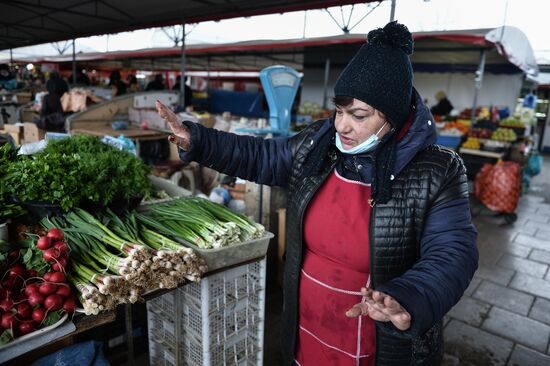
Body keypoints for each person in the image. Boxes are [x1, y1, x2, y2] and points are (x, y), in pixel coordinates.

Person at [156, 21, 478, 366]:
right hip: (308, 322)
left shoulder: (437, 171)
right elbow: (262, 156)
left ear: (394, 117)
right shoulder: (319, 144)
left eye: (358, 115)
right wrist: (199, 140)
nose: (342, 125)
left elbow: (454, 252)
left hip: (378, 334)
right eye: (340, 111)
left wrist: (410, 296)